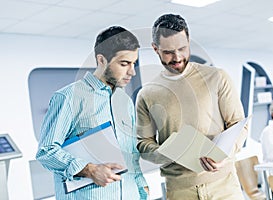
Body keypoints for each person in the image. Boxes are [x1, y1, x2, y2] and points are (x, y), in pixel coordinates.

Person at [135, 14, 247, 200]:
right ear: (155, 49)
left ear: (188, 41)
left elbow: (238, 124)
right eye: (168, 52)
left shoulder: (217, 77)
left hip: (224, 186)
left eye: (182, 48)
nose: (177, 57)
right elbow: (143, 144)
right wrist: (169, 151)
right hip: (179, 191)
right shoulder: (147, 94)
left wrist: (224, 157)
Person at [36, 26, 149, 200]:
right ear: (101, 60)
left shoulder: (124, 101)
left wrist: (141, 188)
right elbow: (46, 152)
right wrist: (90, 170)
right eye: (124, 63)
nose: (132, 71)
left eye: (134, 63)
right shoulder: (68, 97)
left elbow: (131, 153)